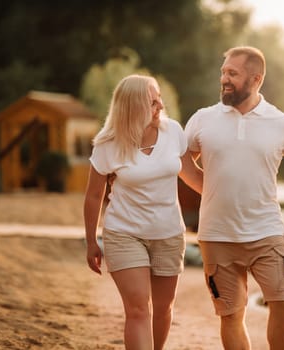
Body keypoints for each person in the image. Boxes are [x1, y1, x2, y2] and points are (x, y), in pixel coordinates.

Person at [184, 46, 284, 350]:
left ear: (256, 79)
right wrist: (207, 188)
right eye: (223, 72)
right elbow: (182, 156)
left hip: (267, 233)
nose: (224, 79)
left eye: (232, 74)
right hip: (217, 235)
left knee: (283, 302)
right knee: (231, 314)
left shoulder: (281, 123)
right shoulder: (203, 119)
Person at [83, 74, 202, 350]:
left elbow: (193, 175)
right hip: (125, 233)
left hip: (169, 233)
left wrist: (226, 198)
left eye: (159, 97)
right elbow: (93, 196)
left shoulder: (173, 132)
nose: (160, 104)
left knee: (163, 308)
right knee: (138, 310)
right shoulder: (107, 143)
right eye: (153, 100)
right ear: (132, 106)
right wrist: (91, 241)